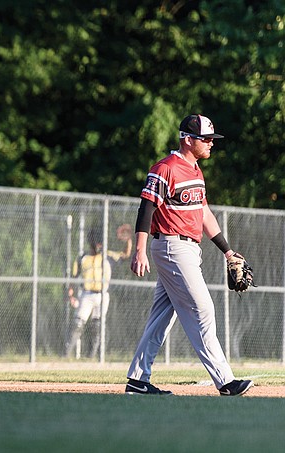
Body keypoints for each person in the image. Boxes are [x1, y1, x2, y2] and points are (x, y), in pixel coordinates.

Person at [125, 114, 252, 396]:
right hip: (171, 246)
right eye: (206, 139)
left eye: (211, 139)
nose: (210, 144)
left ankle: (137, 379)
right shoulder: (165, 169)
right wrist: (140, 251)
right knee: (203, 309)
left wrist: (227, 250)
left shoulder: (195, 171)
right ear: (188, 139)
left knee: (162, 316)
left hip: (189, 249)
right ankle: (226, 381)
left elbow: (204, 214)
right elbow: (146, 210)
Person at [64, 227, 131, 358]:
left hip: (102, 294)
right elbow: (73, 277)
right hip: (86, 294)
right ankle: (66, 354)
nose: (97, 246)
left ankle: (92, 355)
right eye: (95, 244)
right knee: (78, 323)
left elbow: (126, 255)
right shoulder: (83, 258)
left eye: (99, 243)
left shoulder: (108, 256)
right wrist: (70, 294)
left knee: (97, 325)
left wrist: (128, 240)